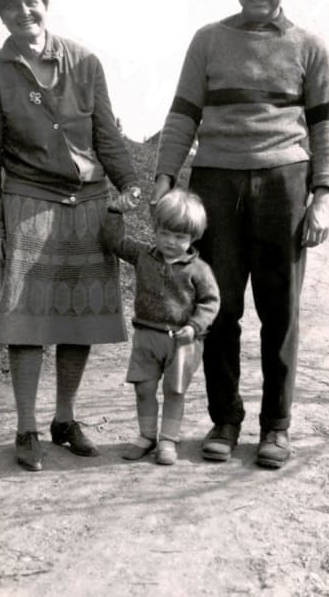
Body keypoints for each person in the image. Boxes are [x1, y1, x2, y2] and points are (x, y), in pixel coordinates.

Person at [152, 0, 329, 469]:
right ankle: (224, 419)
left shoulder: (309, 46)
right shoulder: (207, 40)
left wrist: (321, 196)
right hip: (215, 183)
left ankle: (275, 427)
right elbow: (182, 113)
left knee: (280, 312)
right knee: (219, 307)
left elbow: (327, 126)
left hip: (285, 182)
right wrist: (166, 177)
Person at [0, 0, 140, 472]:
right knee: (26, 321)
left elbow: (106, 132)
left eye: (30, 2)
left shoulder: (84, 62)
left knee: (79, 316)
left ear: (45, 2)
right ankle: (26, 427)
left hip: (88, 204)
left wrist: (129, 181)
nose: (23, 12)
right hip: (28, 202)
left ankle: (64, 420)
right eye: (10, 7)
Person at [102, 187, 220, 465]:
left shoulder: (198, 269)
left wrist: (194, 326)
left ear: (193, 237)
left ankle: (168, 439)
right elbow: (115, 242)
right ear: (155, 229)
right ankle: (146, 436)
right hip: (146, 336)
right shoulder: (144, 255)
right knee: (143, 388)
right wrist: (115, 211)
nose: (170, 241)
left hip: (182, 342)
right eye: (164, 233)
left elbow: (210, 302)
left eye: (179, 236)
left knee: (174, 391)